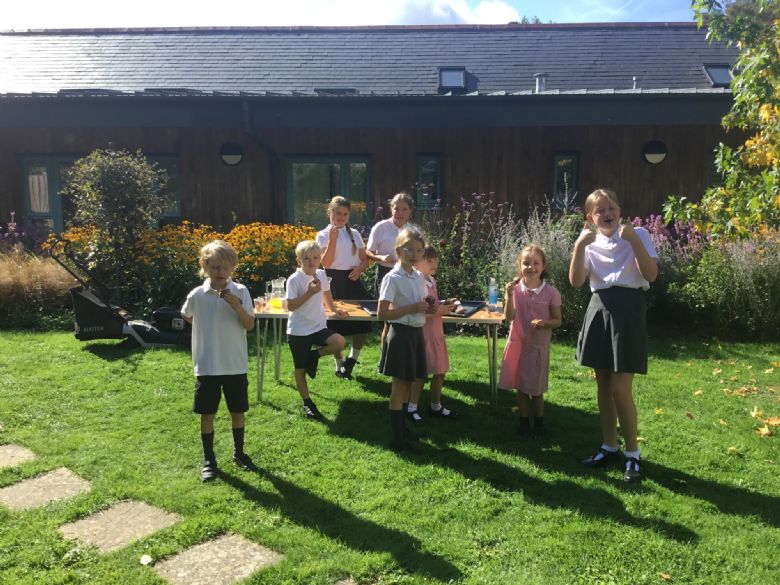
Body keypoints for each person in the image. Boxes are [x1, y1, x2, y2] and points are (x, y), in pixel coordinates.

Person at [569, 188, 658, 483]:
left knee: (621, 388)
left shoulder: (639, 234)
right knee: (604, 385)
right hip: (599, 308)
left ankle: (633, 454)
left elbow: (651, 274)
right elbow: (577, 281)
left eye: (612, 208)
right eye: (600, 210)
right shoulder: (589, 243)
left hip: (628, 310)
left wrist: (632, 239)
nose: (607, 214)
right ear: (590, 217)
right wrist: (580, 246)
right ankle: (609, 446)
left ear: (620, 209)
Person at [181, 239, 257, 483]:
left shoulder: (241, 291)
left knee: (237, 410)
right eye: (214, 267)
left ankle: (239, 453)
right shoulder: (198, 294)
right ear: (205, 267)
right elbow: (187, 315)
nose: (220, 272)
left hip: (235, 364)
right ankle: (209, 459)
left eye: (225, 267)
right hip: (207, 365)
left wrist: (236, 305)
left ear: (232, 268)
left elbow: (249, 325)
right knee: (207, 413)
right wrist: (206, 329)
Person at [377, 227, 436, 450]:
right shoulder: (392, 278)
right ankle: (397, 438)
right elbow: (383, 314)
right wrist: (412, 308)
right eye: (409, 249)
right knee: (399, 387)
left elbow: (418, 305)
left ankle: (402, 428)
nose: (414, 254)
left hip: (415, 334)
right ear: (399, 250)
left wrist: (427, 307)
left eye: (419, 250)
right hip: (400, 335)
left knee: (409, 383)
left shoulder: (419, 276)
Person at [499, 244, 562, 438]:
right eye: (526, 263)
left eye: (536, 263)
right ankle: (524, 423)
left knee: (536, 389)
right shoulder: (515, 290)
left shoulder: (551, 292)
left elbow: (558, 320)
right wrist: (509, 296)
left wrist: (545, 323)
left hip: (537, 348)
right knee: (521, 386)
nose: (531, 267)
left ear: (543, 267)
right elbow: (509, 317)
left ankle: (540, 424)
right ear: (520, 267)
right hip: (518, 344)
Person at [285, 240, 348, 421]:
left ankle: (314, 356)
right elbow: (290, 306)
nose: (311, 261)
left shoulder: (321, 274)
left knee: (339, 342)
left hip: (318, 326)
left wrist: (334, 310)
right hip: (298, 330)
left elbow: (327, 294)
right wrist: (309, 294)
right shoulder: (294, 279)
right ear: (299, 260)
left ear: (320, 259)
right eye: (306, 258)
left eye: (315, 257)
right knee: (300, 369)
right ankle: (308, 403)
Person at [316, 196, 372, 380]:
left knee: (363, 323)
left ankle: (351, 360)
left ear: (349, 215)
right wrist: (332, 239)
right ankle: (339, 365)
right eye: (337, 213)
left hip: (352, 280)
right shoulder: (323, 235)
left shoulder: (354, 233)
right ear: (329, 213)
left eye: (345, 214)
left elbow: (364, 259)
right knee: (335, 325)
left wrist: (360, 269)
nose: (341, 217)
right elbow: (325, 263)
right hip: (333, 281)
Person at [407, 245, 458, 423]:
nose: (434, 263)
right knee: (421, 373)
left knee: (440, 370)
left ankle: (435, 406)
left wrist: (445, 303)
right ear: (417, 262)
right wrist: (441, 310)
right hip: (423, 334)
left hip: (436, 333)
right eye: (429, 260)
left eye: (435, 260)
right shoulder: (416, 283)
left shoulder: (431, 281)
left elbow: (433, 305)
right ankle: (411, 407)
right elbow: (418, 312)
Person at [366, 192, 416, 297]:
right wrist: (380, 257)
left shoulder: (413, 231)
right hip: (385, 273)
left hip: (407, 273)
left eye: (404, 209)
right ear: (391, 209)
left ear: (410, 211)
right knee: (385, 308)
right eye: (396, 209)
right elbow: (369, 251)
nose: (400, 213)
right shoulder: (380, 227)